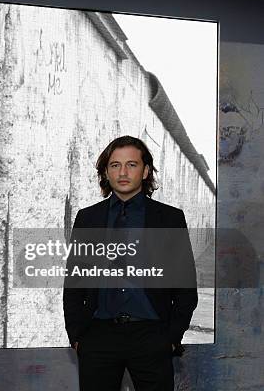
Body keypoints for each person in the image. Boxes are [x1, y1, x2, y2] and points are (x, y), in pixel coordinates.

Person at [63, 135, 198, 391]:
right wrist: (78, 336)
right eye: (115, 165)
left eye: (132, 164)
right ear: (106, 171)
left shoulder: (169, 218)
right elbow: (74, 282)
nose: (123, 172)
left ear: (146, 171)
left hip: (152, 337)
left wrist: (171, 337)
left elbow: (186, 285)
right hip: (98, 337)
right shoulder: (88, 218)